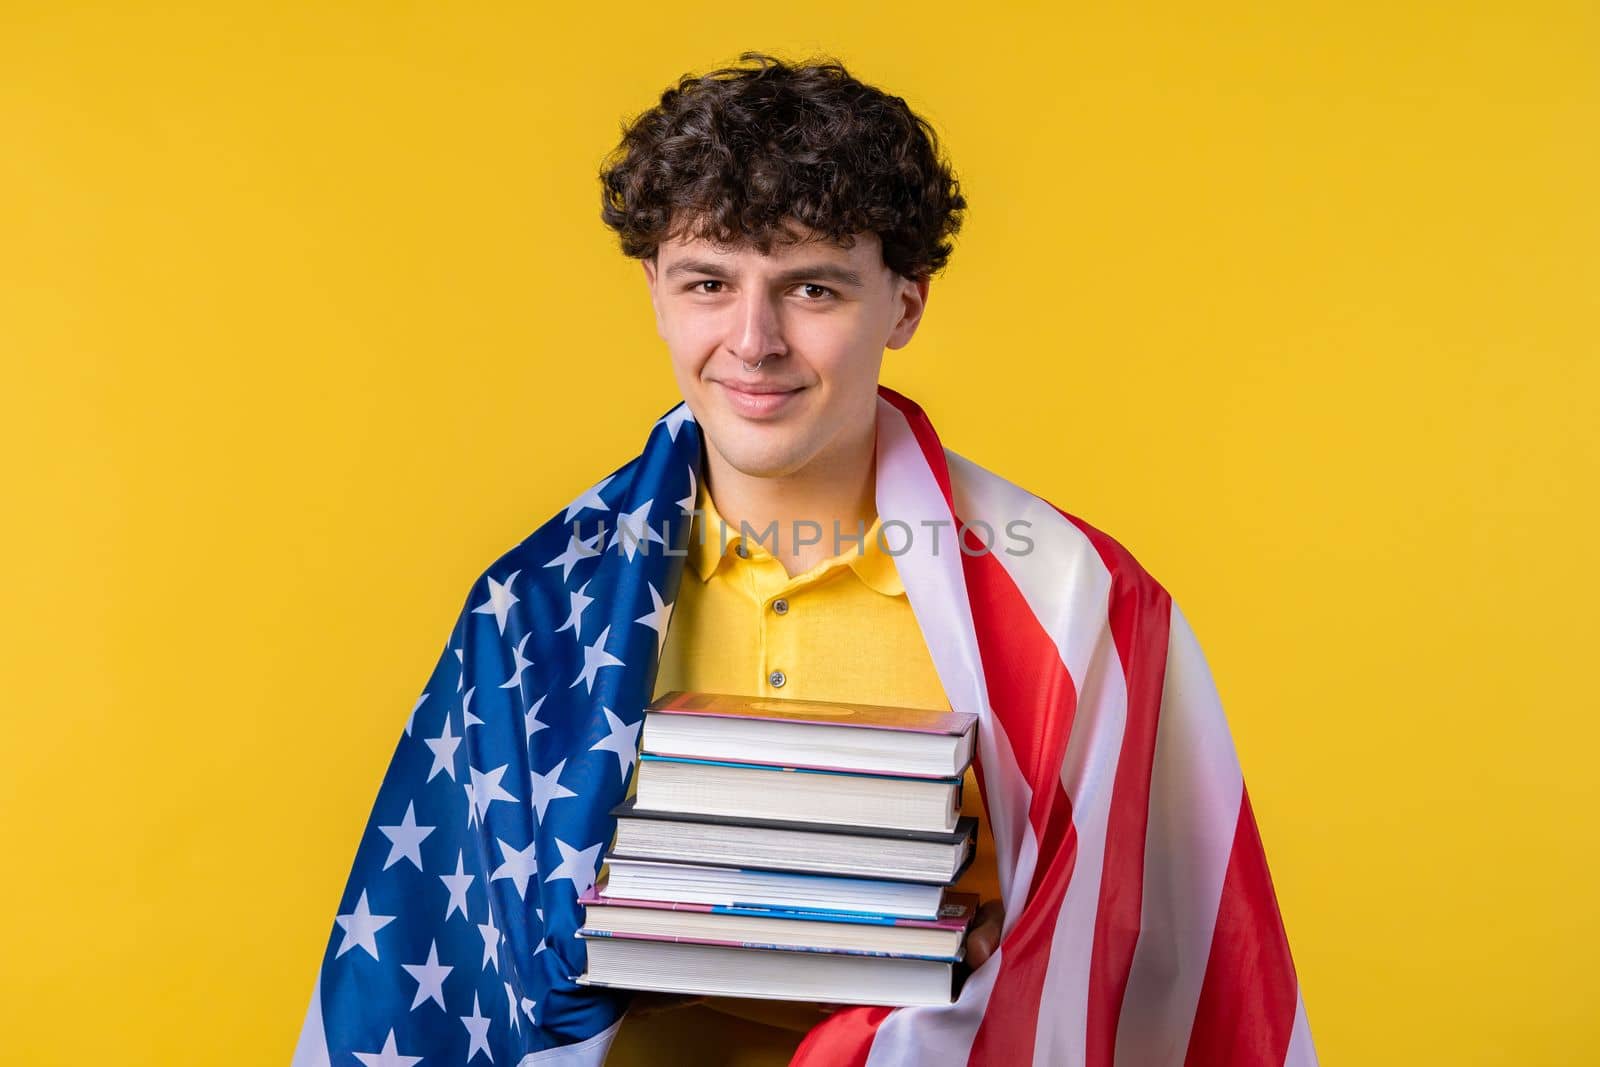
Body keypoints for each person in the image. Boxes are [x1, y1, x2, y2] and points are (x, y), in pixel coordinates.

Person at [293, 52, 1315, 1067]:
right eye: (708, 282)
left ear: (905, 303)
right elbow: (447, 962)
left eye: (812, 288)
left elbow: (1176, 968)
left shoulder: (1074, 607)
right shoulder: (535, 609)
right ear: (654, 290)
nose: (753, 340)